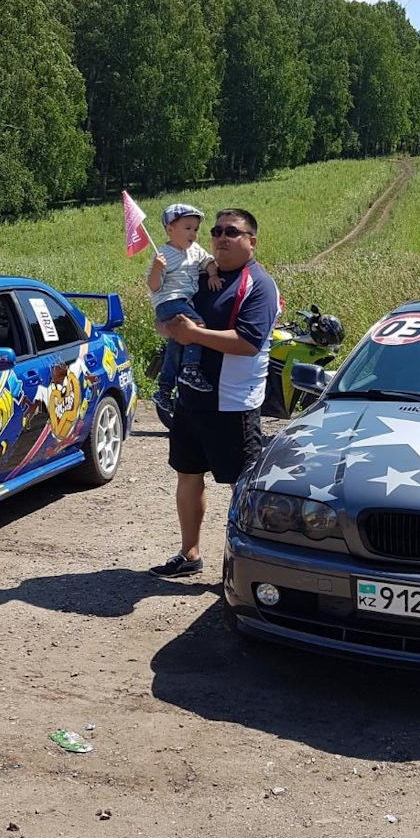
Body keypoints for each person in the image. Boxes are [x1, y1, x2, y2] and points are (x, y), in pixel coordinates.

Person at [150, 208, 281, 578]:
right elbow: (169, 318)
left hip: (233, 403)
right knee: (188, 474)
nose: (222, 237)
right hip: (191, 399)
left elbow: (248, 342)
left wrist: (192, 335)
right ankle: (189, 554)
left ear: (251, 240)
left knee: (242, 486)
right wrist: (168, 328)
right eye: (216, 231)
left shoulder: (259, 283)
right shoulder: (196, 274)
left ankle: (246, 564)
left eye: (232, 232)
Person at [146, 203, 221, 410]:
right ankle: (190, 369)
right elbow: (154, 286)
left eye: (196, 229)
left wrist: (213, 274)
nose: (193, 234)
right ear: (170, 229)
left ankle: (164, 388)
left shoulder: (195, 250)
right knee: (197, 326)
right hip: (168, 301)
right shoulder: (161, 255)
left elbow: (209, 262)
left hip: (184, 301)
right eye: (187, 228)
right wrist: (156, 269)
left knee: (177, 342)